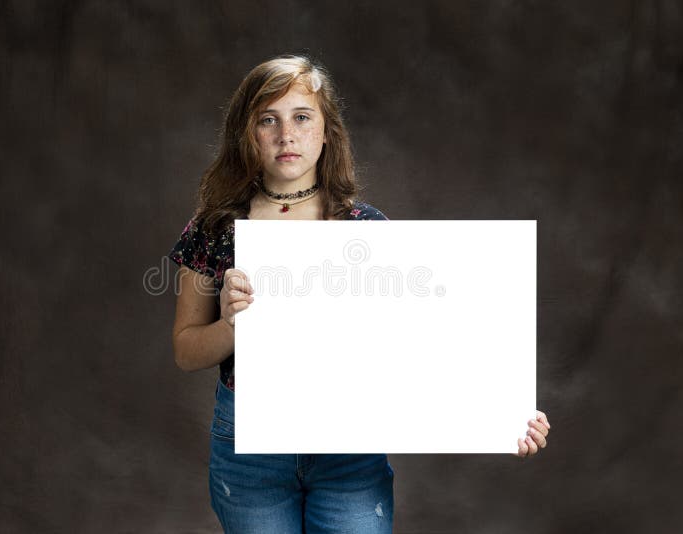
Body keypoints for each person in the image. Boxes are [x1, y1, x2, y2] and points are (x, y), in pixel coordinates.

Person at [168, 54, 551, 534]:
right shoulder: (216, 228)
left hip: (348, 452)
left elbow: (422, 344)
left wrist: (500, 408)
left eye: (302, 117)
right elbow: (185, 348)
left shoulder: (366, 229)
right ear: (246, 133)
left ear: (327, 132)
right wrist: (230, 327)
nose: (287, 134)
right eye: (268, 119)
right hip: (250, 450)